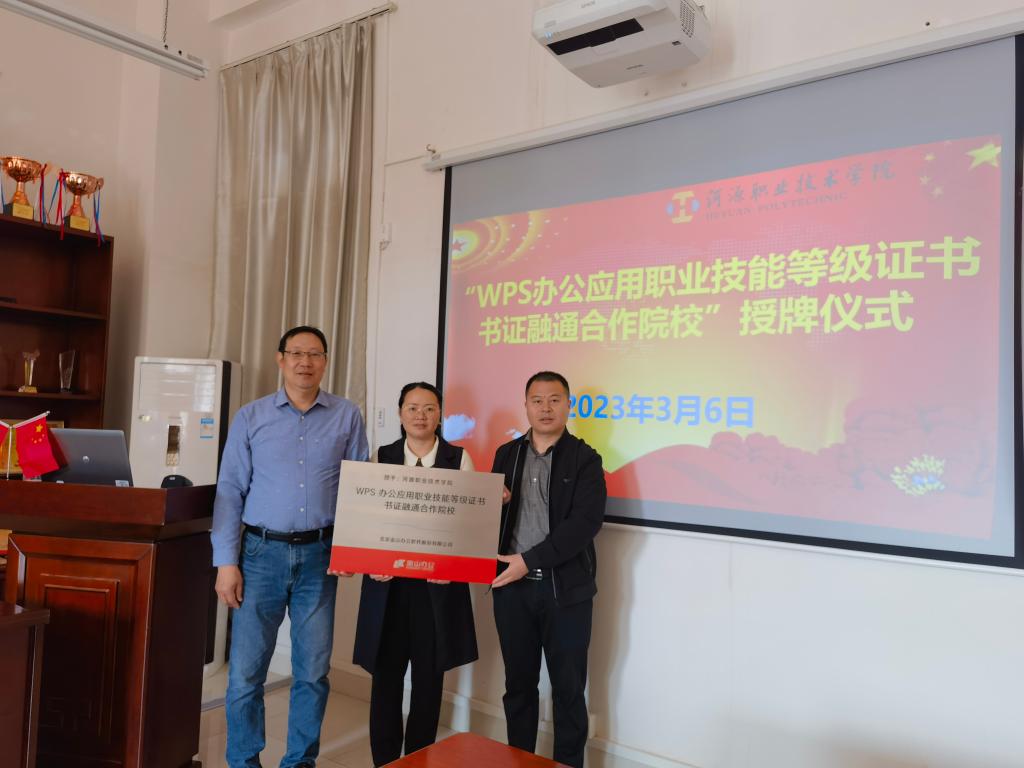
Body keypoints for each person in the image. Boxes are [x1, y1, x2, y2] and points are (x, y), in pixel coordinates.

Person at [212, 325, 369, 768]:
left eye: (314, 354)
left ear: (325, 362)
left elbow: (359, 487)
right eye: (296, 353)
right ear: (280, 359)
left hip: (320, 556)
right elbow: (230, 490)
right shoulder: (251, 416)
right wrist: (226, 562)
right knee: (246, 673)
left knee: (313, 672)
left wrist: (353, 548)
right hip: (260, 555)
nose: (305, 362)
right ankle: (244, 761)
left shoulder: (346, 415)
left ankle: (300, 761)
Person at [351, 382, 478, 766]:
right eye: (412, 408)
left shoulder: (459, 459)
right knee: (385, 680)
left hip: (436, 592)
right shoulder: (382, 456)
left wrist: (452, 567)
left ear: (440, 414)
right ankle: (385, 761)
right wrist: (373, 563)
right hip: (388, 590)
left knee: (428, 682)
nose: (420, 415)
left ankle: (418, 760)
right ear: (400, 413)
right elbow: (367, 519)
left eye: (429, 408)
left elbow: (469, 526)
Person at [490, 371, 606, 768]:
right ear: (525, 405)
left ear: (568, 405)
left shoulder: (585, 459)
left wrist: (529, 561)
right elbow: (486, 519)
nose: (545, 408)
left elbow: (584, 525)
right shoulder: (506, 454)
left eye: (555, 399)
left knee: (569, 692)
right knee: (518, 688)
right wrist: (495, 503)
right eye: (537, 400)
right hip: (511, 590)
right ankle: (520, 761)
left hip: (565, 592)